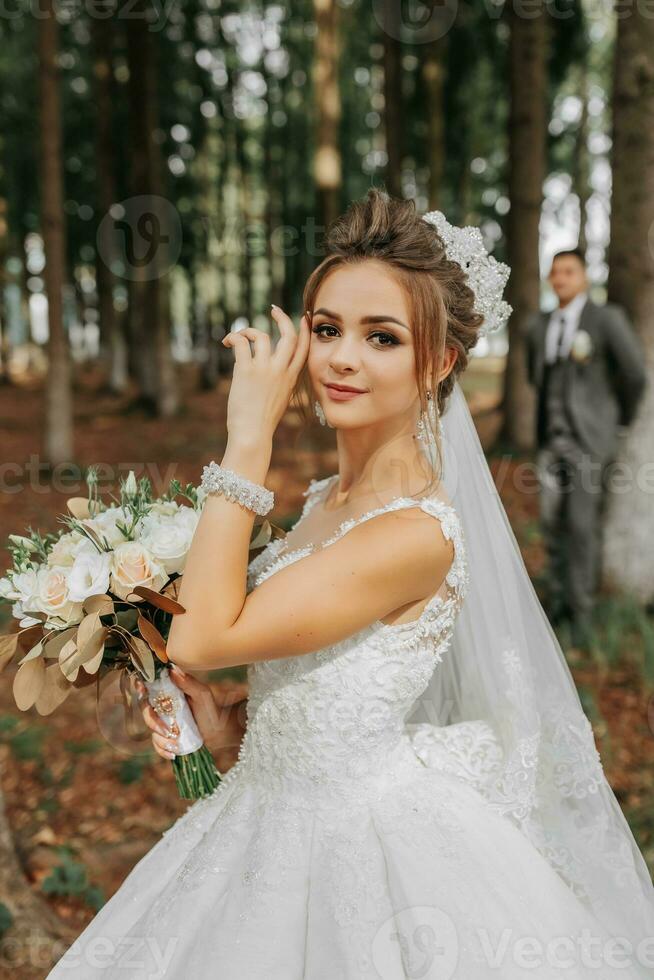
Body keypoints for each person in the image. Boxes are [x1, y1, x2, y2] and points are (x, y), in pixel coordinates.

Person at [47, 191, 654, 979]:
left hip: (362, 853)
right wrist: (237, 727)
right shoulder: (320, 504)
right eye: (328, 329)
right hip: (263, 817)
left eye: (382, 338)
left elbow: (201, 634)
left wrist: (247, 435)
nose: (341, 358)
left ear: (436, 364)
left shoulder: (413, 532)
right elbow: (314, 678)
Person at [525, 248, 647, 647]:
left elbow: (635, 375)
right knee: (550, 521)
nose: (560, 278)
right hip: (551, 441)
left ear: (584, 277)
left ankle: (581, 616)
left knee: (581, 526)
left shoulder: (605, 319)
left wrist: (617, 422)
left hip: (590, 443)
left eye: (569, 271)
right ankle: (556, 604)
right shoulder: (539, 325)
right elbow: (534, 375)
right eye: (555, 272)